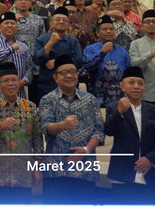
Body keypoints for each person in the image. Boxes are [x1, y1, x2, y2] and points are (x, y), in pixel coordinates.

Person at [39, 55, 105, 204]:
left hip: (85, 170)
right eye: (64, 73)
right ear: (55, 77)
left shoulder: (90, 100)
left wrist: (87, 150)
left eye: (73, 72)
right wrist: (63, 125)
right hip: (56, 170)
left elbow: (99, 131)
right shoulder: (47, 99)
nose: (69, 75)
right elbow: (45, 128)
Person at [104, 66, 155, 204]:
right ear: (122, 86)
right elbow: (109, 131)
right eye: (131, 82)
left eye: (140, 83)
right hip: (122, 172)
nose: (136, 86)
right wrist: (119, 112)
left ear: (144, 87)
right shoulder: (113, 107)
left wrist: (150, 159)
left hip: (150, 172)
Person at [0, 62, 43, 204]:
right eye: (6, 81)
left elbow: (38, 140)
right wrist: (0, 127)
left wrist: (38, 166)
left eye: (14, 80)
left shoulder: (31, 107)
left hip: (23, 175)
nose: (10, 84)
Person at [32, 7, 82, 104]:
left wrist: (57, 62)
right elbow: (37, 60)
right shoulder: (41, 39)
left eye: (64, 20)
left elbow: (79, 61)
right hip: (47, 85)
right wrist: (50, 43)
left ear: (68, 25)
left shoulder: (73, 41)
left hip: (69, 85)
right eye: (57, 19)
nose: (61, 22)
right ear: (51, 23)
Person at [83, 15, 131, 106]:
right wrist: (103, 52)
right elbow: (88, 66)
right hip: (98, 97)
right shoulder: (90, 49)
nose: (108, 31)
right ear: (97, 33)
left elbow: (128, 73)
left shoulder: (123, 51)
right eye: (104, 29)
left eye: (111, 29)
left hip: (120, 98)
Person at [0, 12, 33, 101]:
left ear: (16, 27)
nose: (10, 25)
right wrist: (11, 49)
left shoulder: (23, 46)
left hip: (19, 94)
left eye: (12, 23)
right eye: (6, 23)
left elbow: (29, 67)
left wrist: (24, 81)